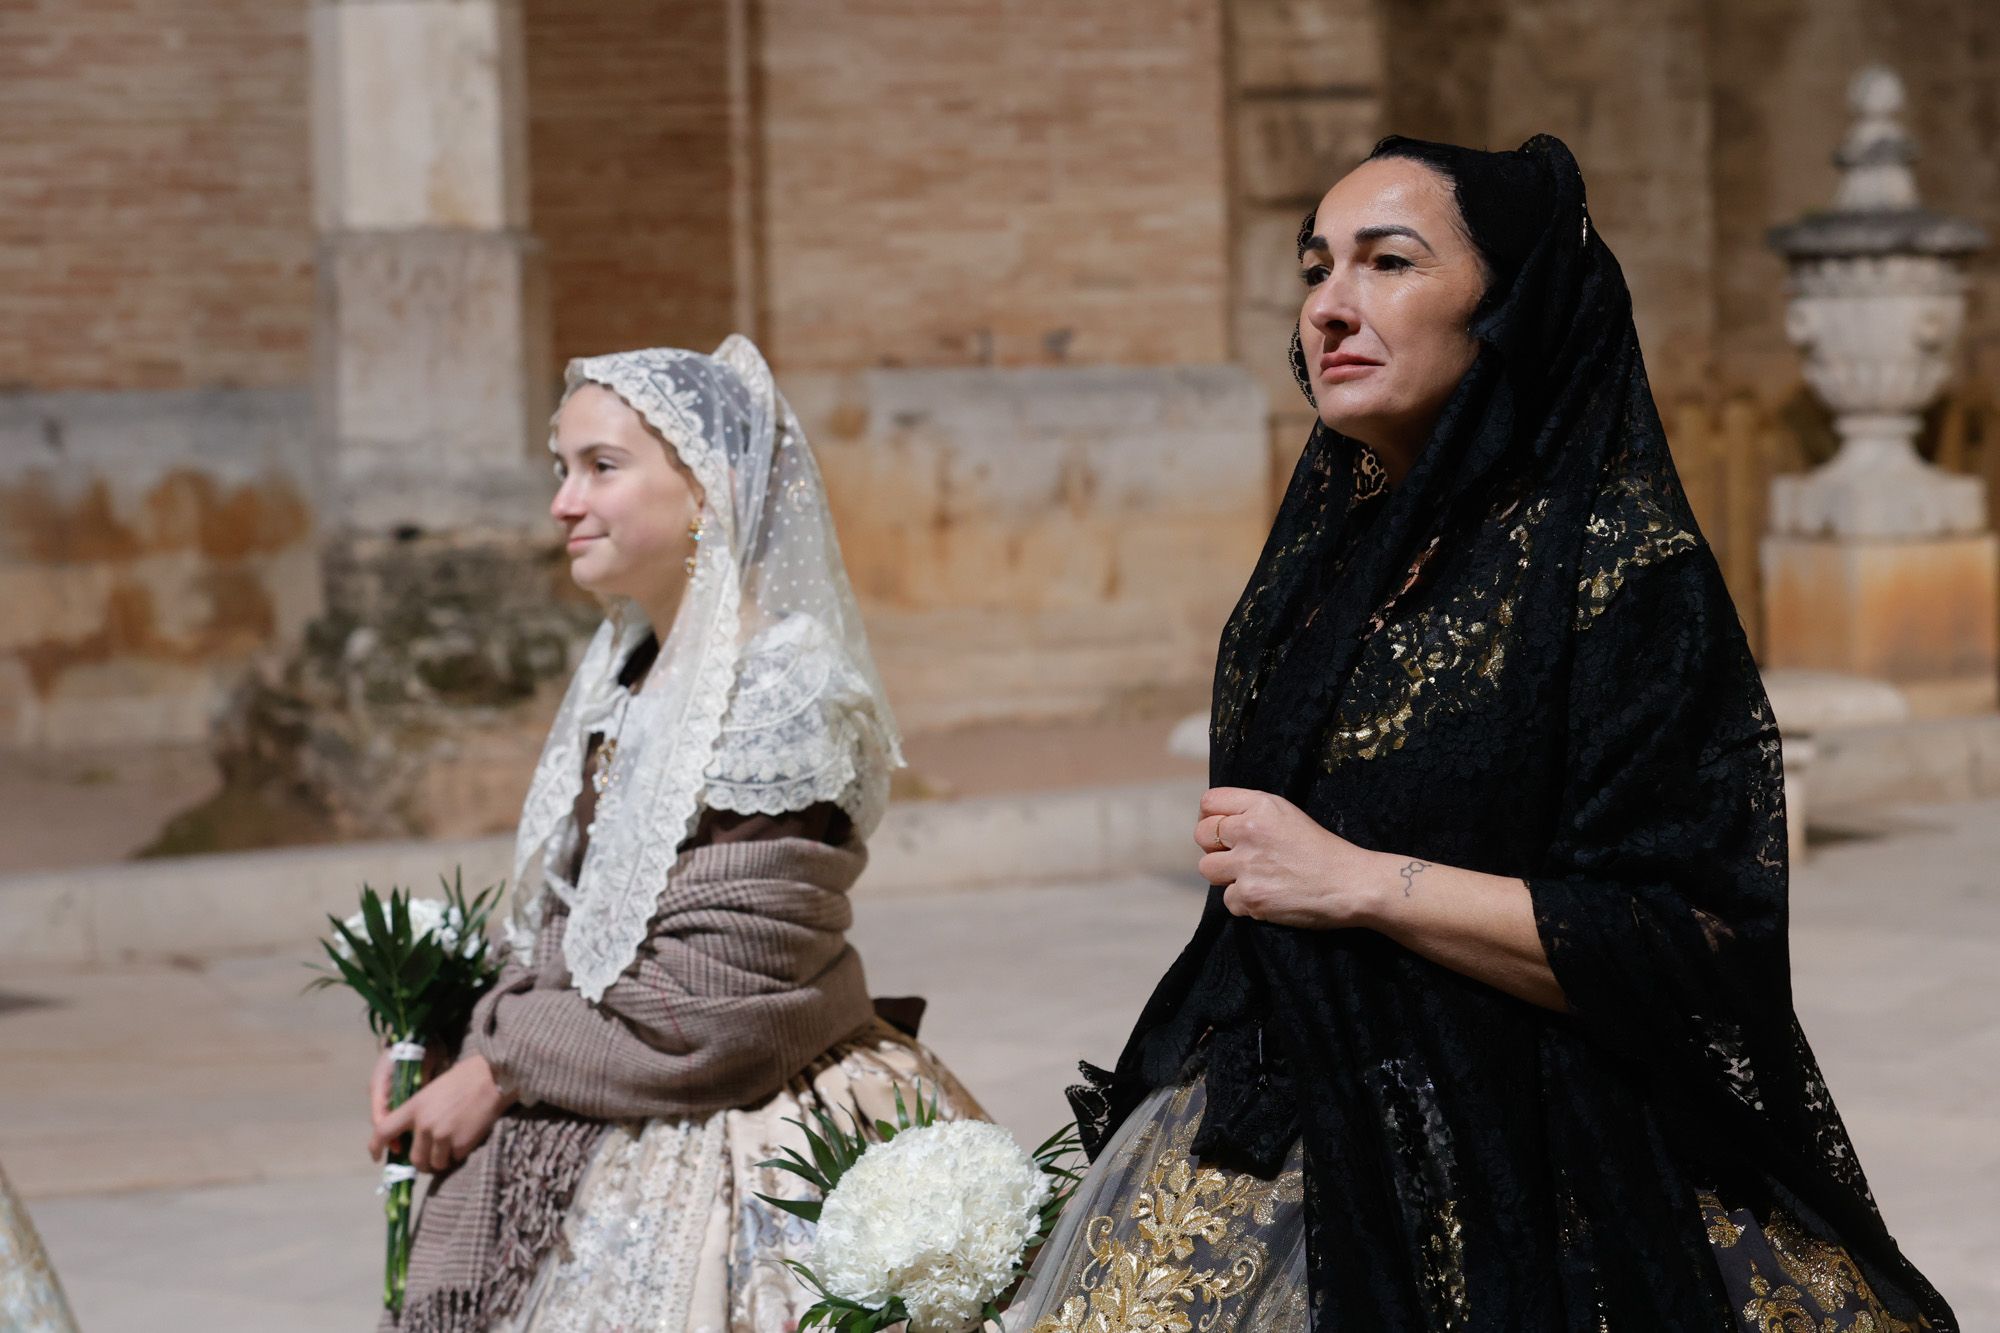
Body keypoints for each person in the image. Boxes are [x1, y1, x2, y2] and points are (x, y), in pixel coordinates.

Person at [1005, 137, 1956, 1332]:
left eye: (1387, 263)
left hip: (1538, 1158)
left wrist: (1357, 882)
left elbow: (1691, 937)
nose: (1329, 308)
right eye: (1314, 269)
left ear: (1506, 308)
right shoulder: (1324, 566)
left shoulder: (1619, 571)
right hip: (1280, 1128)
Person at [370, 336, 981, 1333]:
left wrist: (498, 1061)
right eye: (560, 470)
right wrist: (443, 1036)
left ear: (710, 487)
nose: (562, 504)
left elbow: (714, 1011)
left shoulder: (777, 690)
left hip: (728, 1124)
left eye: (601, 467)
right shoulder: (626, 665)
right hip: (601, 1088)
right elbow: (569, 924)